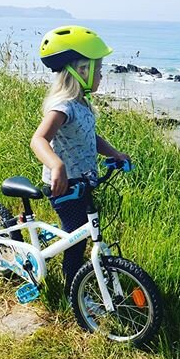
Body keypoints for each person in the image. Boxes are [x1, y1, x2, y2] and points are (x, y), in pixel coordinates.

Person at [31, 25, 130, 295]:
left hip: (84, 181)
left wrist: (115, 154)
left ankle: (76, 275)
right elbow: (38, 139)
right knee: (75, 237)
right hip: (64, 184)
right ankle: (72, 288)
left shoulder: (83, 104)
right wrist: (56, 166)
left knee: (81, 231)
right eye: (97, 69)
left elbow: (91, 137)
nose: (101, 74)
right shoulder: (62, 106)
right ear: (80, 70)